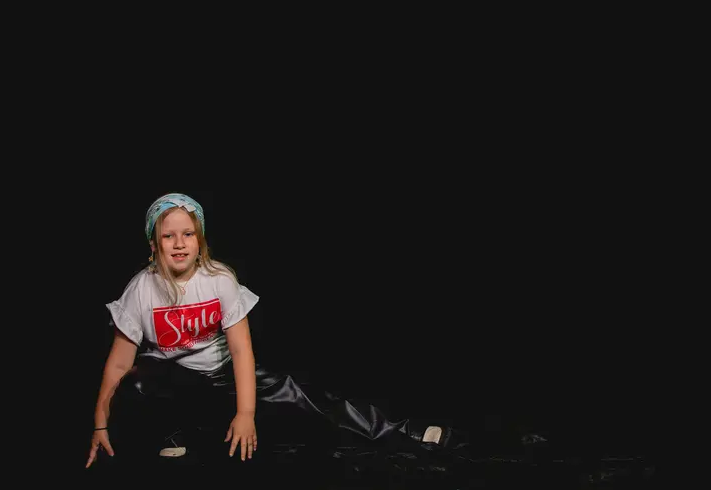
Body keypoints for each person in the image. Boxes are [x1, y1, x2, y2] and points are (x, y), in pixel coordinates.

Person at [86, 193, 453, 469]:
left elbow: (241, 351)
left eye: (188, 234)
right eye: (169, 236)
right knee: (137, 382)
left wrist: (245, 414)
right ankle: (174, 430)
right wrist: (100, 427)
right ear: (154, 244)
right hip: (175, 379)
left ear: (200, 241)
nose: (179, 243)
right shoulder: (140, 289)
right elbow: (118, 364)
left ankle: (402, 431)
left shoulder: (219, 280)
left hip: (223, 374)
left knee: (305, 400)